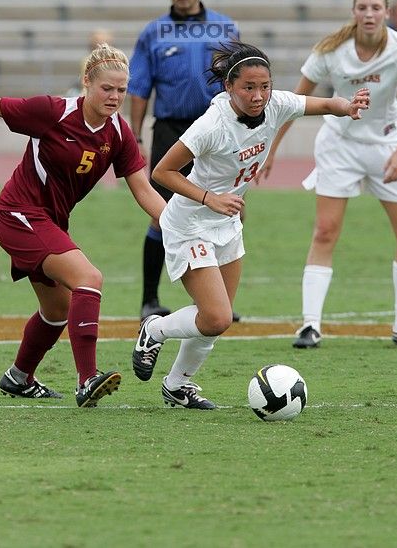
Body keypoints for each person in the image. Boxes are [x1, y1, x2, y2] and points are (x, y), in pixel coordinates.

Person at [131, 40, 370, 409]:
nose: (258, 96)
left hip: (226, 224)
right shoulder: (212, 125)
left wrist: (347, 106)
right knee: (217, 315)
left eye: (264, 86)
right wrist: (211, 197)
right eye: (248, 87)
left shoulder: (276, 104)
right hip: (190, 223)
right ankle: (154, 330)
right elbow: (163, 171)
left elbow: (322, 104)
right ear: (229, 87)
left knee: (216, 319)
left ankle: (177, 386)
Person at [0, 44, 166, 406]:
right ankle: (87, 380)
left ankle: (18, 377)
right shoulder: (52, 111)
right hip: (18, 214)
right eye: (107, 88)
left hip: (50, 222)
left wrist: (176, 222)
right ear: (86, 82)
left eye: (122, 90)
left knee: (57, 310)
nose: (115, 97)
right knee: (89, 278)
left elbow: (143, 189)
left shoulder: (118, 133)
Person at [260, 0, 397, 349]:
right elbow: (294, 100)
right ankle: (310, 325)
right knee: (325, 231)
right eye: (362, 8)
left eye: (376, 8)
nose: (369, 14)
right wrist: (270, 150)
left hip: (386, 144)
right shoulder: (330, 50)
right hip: (339, 146)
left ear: (386, 12)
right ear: (353, 11)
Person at [128, 0, 239, 322]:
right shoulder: (152, 33)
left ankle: (221, 303)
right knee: (162, 216)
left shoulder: (225, 27)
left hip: (216, 130)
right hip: (172, 131)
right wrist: (137, 135)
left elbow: (239, 83)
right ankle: (149, 300)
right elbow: (140, 87)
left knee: (223, 211)